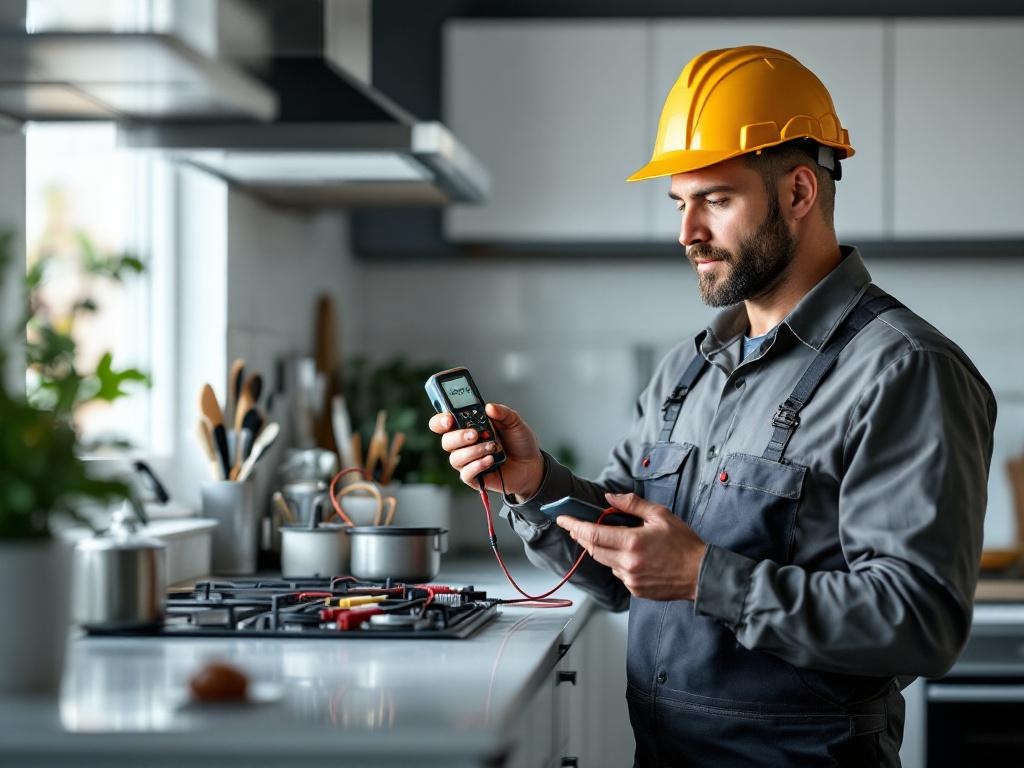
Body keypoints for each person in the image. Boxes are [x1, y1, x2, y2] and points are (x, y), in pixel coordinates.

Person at [428, 45, 996, 766]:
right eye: (680, 203)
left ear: (799, 193)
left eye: (716, 200)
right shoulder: (686, 371)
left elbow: (920, 624)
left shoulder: (904, 370)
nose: (686, 232)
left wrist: (705, 576)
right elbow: (619, 571)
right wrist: (535, 485)